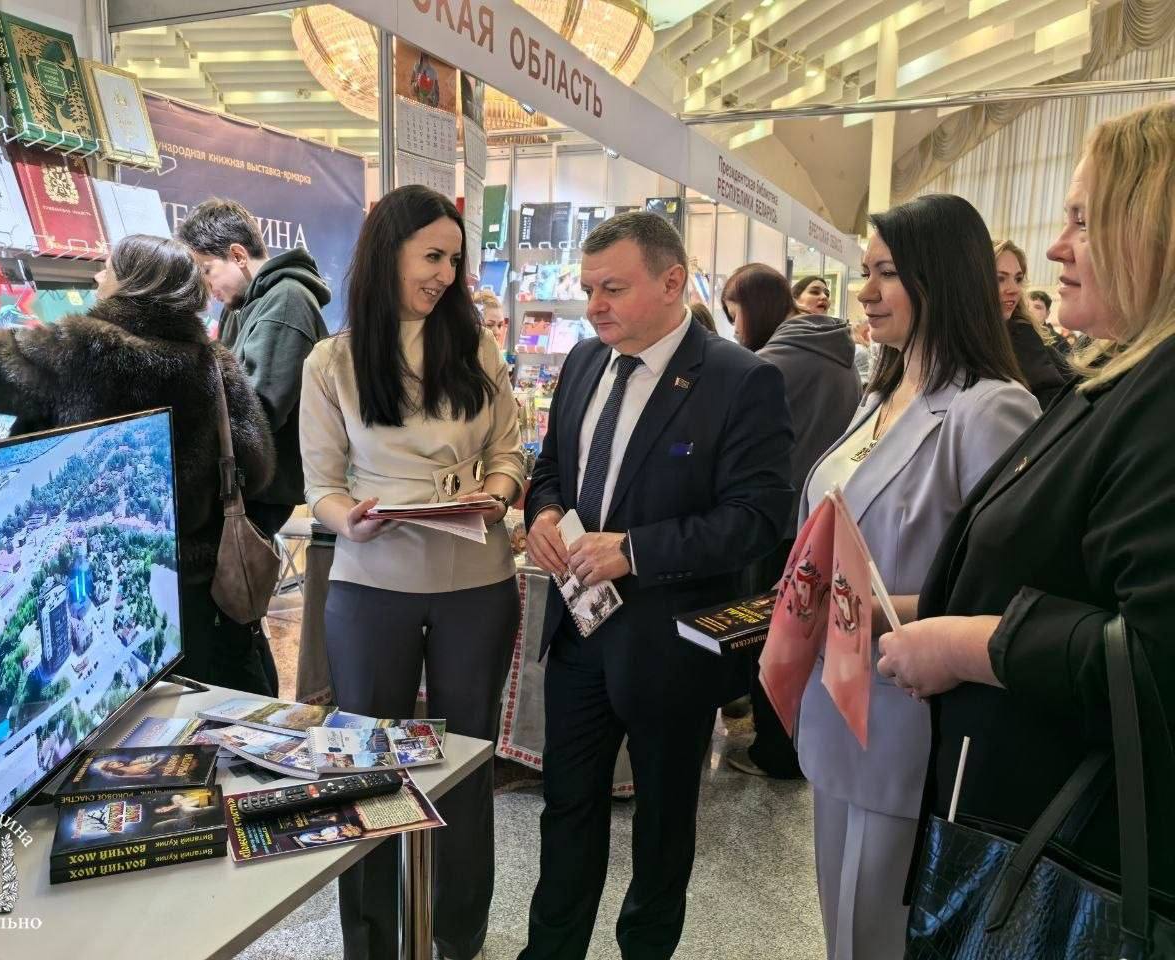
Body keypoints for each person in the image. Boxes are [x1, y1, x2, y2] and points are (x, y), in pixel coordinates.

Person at [878, 101, 1175, 939]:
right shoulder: (1117, 380)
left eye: (1082, 219)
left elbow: (1154, 659)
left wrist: (962, 644)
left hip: (1075, 861)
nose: (1055, 248)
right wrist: (919, 609)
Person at [519, 212, 794, 960]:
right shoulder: (584, 363)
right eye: (588, 289)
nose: (594, 306)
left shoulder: (741, 380)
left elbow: (757, 519)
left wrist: (634, 551)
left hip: (671, 646)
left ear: (672, 282)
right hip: (579, 633)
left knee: (663, 827)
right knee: (566, 809)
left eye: (612, 288)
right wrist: (543, 513)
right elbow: (553, 468)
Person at [789, 195, 1039, 960]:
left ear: (942, 277)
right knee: (844, 927)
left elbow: (1008, 596)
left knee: (879, 933)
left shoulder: (989, 410)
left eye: (887, 273)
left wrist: (872, 607)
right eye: (865, 271)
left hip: (908, 722)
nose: (865, 291)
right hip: (836, 708)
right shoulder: (881, 394)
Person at [0, 236, 276, 695]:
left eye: (108, 268)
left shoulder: (81, 350)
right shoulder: (215, 364)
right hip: (203, 599)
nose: (98, 277)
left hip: (91, 591)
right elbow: (257, 468)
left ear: (131, 282)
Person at [300, 184, 524, 960]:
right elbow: (320, 484)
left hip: (476, 579)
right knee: (366, 766)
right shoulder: (332, 362)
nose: (445, 275)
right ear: (387, 253)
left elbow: (508, 449)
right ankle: (372, 939)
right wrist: (349, 519)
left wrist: (499, 493)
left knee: (464, 764)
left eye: (454, 260)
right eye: (432, 256)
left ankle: (458, 932)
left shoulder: (475, 348)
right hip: (371, 583)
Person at [720, 262, 861, 779]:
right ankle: (797, 745)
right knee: (806, 634)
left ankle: (774, 751)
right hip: (826, 518)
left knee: (771, 636)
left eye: (735, 314)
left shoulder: (769, 364)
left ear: (754, 308)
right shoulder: (838, 352)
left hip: (778, 522)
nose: (735, 327)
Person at [176, 200, 328, 532]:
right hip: (241, 484)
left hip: (260, 492)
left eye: (206, 270)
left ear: (238, 255)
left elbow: (260, 411)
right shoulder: (240, 306)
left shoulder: (287, 301)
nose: (205, 287)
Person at [994, 239, 1070, 407]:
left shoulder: (1021, 335)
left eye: (1018, 279)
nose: (1014, 289)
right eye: (1000, 279)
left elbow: (1051, 401)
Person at [1029, 288, 1073, 356]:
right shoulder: (1014, 336)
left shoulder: (1059, 342)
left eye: (1037, 307)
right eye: (1026, 306)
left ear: (1047, 314)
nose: (1029, 310)